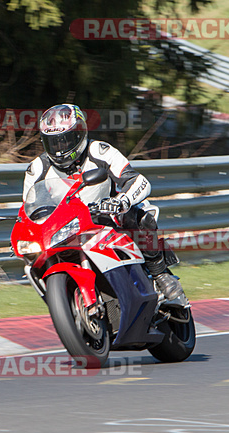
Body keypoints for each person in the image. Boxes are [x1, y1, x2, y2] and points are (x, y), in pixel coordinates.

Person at [23, 103, 184, 301]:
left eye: (66, 141)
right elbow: (30, 208)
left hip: (108, 216)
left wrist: (121, 201)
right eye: (53, 143)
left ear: (80, 134)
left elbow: (139, 181)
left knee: (139, 217)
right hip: (67, 227)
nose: (60, 149)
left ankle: (160, 274)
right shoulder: (37, 168)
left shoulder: (100, 151)